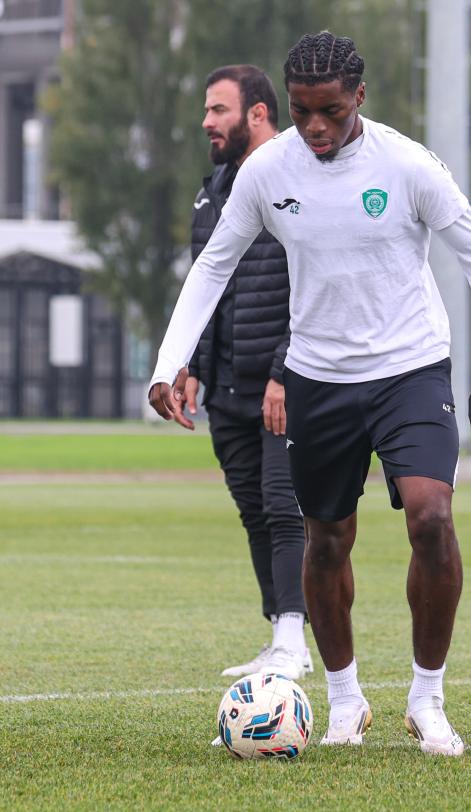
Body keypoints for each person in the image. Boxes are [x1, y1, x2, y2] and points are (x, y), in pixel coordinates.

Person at [150, 32, 471, 756]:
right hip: (317, 377)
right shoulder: (266, 172)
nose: (316, 127)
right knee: (324, 542)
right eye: (302, 111)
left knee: (431, 518)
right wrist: (169, 362)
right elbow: (213, 266)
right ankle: (346, 702)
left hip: (410, 369)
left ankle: (427, 699)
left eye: (332, 111)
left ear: (360, 97)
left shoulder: (407, 165)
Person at [176, 65, 313, 683]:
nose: (207, 121)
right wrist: (192, 364)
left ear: (258, 113)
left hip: (284, 385)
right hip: (226, 388)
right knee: (254, 510)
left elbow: (316, 285)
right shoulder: (213, 190)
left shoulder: (297, 178)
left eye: (218, 110)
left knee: (285, 507)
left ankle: (294, 638)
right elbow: (206, 286)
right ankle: (281, 633)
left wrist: (284, 371)